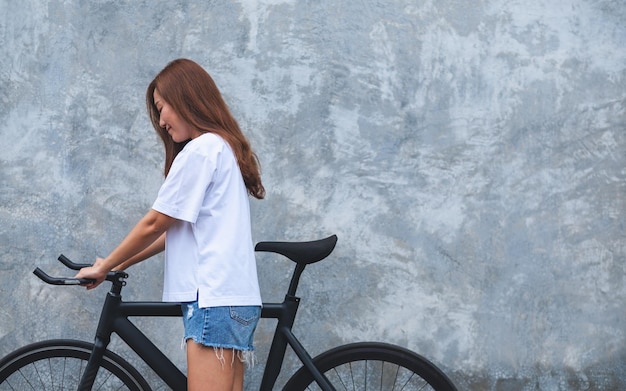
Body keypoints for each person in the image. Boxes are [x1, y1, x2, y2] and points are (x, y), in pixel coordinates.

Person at [76, 58, 265, 391]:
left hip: (212, 299)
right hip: (233, 298)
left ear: (187, 100)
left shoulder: (201, 150)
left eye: (162, 108)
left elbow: (154, 223)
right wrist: (116, 264)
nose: (161, 121)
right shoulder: (223, 149)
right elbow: (172, 231)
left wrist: (106, 263)